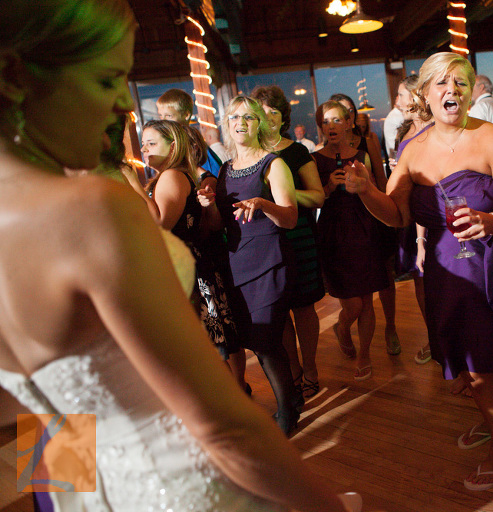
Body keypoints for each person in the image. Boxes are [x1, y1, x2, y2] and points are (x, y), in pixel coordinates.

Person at [0, 1, 357, 511]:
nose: (123, 107)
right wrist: (324, 505)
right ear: (16, 77)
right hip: (173, 486)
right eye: (106, 80)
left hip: (77, 485)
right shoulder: (91, 211)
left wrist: (75, 499)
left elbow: (31, 408)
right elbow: (222, 425)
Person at [344, 52, 493, 491]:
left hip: (488, 268)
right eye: (442, 83)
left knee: (483, 367)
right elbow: (397, 216)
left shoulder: (492, 139)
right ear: (425, 95)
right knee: (467, 366)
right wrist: (366, 190)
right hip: (442, 273)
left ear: (470, 92)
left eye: (461, 82)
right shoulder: (412, 150)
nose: (452, 90)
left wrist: (491, 221)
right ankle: (492, 422)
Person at [197, 95, 303, 435]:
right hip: (237, 263)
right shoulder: (225, 169)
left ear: (259, 124)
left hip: (270, 261)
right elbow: (219, 224)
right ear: (227, 125)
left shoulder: (273, 164)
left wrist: (263, 203)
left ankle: (287, 412)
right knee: (258, 341)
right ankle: (293, 399)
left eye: (248, 117)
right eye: (234, 117)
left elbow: (290, 219)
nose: (240, 123)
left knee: (266, 341)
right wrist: (209, 207)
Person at [140, 120, 241, 360]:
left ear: (173, 146)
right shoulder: (170, 176)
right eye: (143, 144)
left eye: (151, 143)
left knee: (201, 355)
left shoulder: (172, 175)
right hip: (189, 264)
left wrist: (131, 182)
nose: (144, 149)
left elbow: (160, 224)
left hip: (183, 269)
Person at [251, 85, 325, 399]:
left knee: (304, 307)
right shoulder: (250, 154)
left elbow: (318, 197)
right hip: (265, 242)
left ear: (283, 118)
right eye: (262, 112)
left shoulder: (296, 152)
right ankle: (293, 371)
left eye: (274, 112)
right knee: (278, 312)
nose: (268, 118)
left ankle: (310, 368)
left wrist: (282, 192)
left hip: (299, 238)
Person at [313, 100, 389, 380]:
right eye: (325, 121)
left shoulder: (361, 156)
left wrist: (363, 184)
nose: (330, 126)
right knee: (352, 304)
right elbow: (313, 200)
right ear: (320, 127)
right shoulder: (314, 159)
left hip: (363, 229)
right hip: (333, 234)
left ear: (348, 123)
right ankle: (342, 327)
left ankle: (364, 354)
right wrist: (329, 186)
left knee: (366, 300)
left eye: (336, 120)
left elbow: (377, 191)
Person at [330, 93, 402, 355]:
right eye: (338, 114)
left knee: (386, 276)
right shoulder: (326, 148)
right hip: (345, 223)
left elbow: (381, 180)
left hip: (372, 216)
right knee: (362, 287)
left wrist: (390, 213)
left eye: (349, 112)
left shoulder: (367, 140)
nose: (345, 118)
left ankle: (390, 328)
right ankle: (351, 334)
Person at [390, 75, 433, 365]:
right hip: (409, 214)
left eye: (401, 95)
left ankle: (447, 338)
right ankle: (434, 336)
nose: (397, 101)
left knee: (437, 279)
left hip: (430, 212)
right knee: (420, 280)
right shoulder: (404, 131)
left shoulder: (434, 129)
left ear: (418, 96)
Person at [156, 88, 227, 176]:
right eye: (160, 116)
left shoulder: (193, 143)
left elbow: (213, 173)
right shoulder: (166, 142)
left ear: (186, 115)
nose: (163, 121)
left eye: (169, 116)